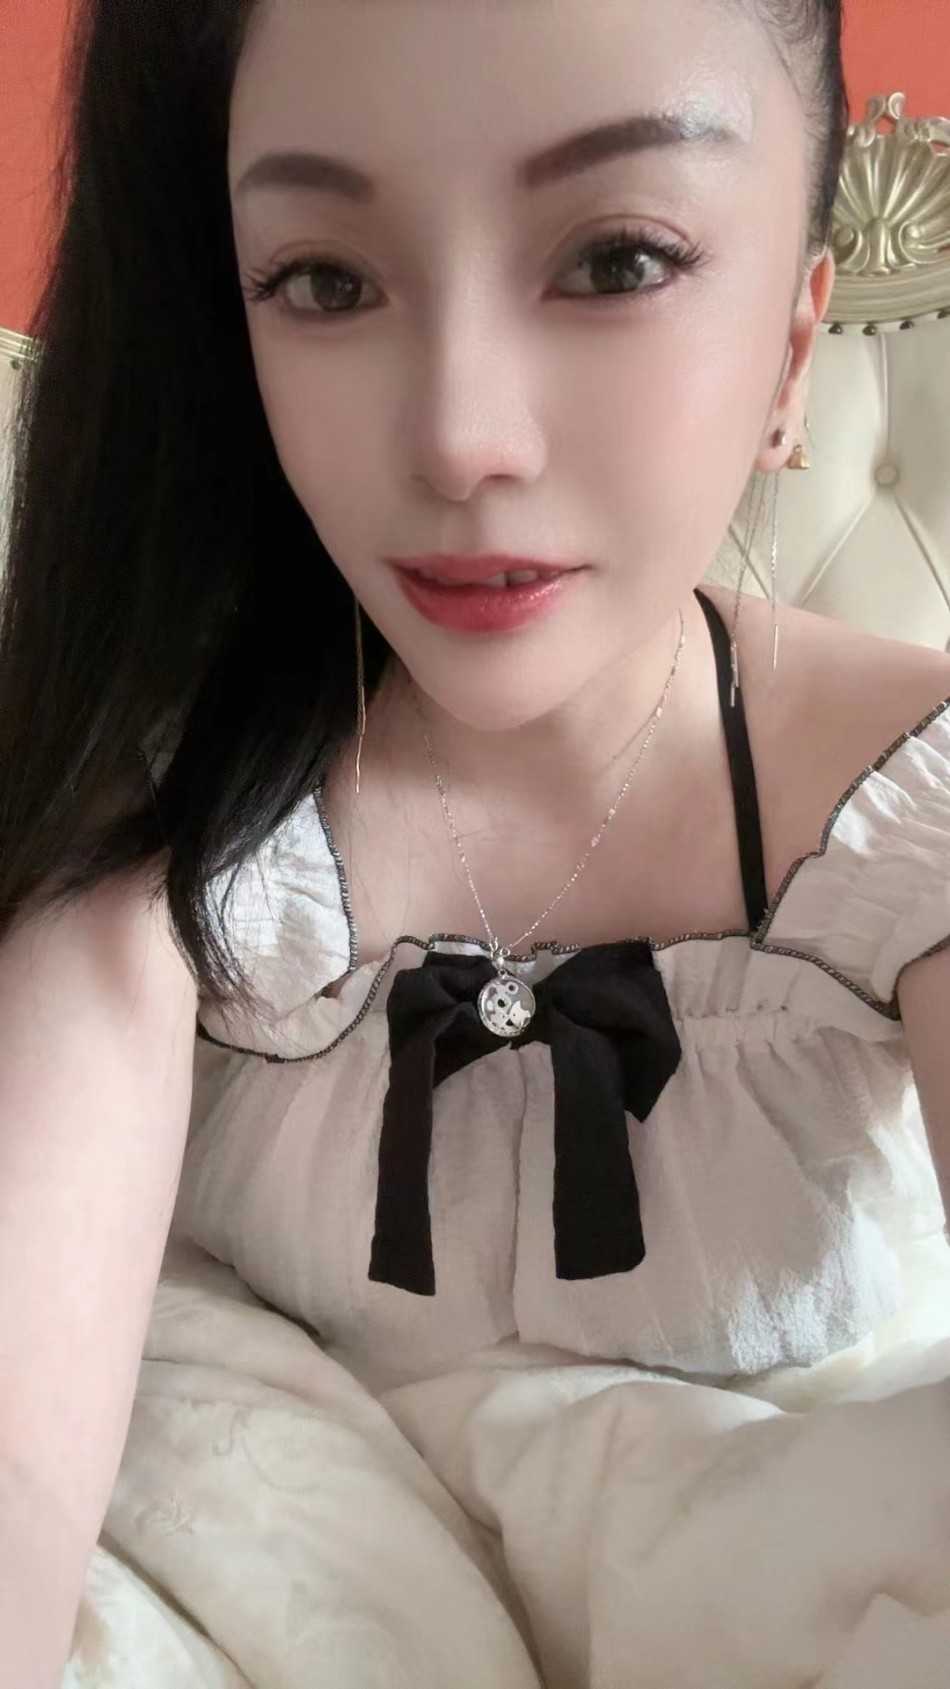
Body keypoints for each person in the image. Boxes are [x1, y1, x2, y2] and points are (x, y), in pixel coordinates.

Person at [1, 0, 949, 1680]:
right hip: (277, 1560)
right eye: (324, 280)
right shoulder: (168, 812)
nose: (456, 438)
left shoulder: (900, 801)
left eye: (615, 260)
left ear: (796, 343)